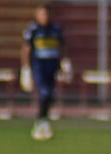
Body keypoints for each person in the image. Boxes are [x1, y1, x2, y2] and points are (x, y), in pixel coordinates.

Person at [20, 3, 72, 141]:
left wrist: (65, 63)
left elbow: (62, 48)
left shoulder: (56, 30)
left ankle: (43, 121)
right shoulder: (33, 30)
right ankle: (41, 121)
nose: (44, 17)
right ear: (37, 15)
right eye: (41, 14)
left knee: (50, 94)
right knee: (44, 92)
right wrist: (25, 69)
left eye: (46, 14)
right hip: (39, 66)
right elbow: (26, 50)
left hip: (52, 65)